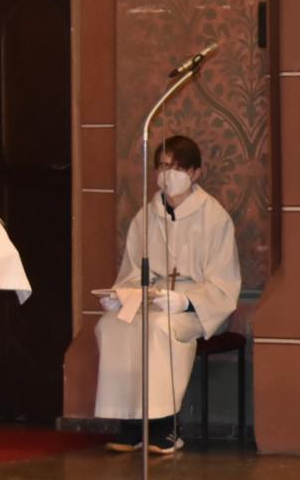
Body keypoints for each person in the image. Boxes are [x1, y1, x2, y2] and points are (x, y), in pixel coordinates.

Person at [94, 135, 241, 453]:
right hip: (154, 299)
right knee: (112, 325)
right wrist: (122, 296)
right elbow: (133, 271)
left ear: (195, 173)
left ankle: (165, 425)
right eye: (162, 167)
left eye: (176, 167)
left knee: (160, 328)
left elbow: (223, 283)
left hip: (196, 308)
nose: (167, 175)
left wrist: (186, 301)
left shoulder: (214, 219)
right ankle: (130, 424)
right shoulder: (145, 218)